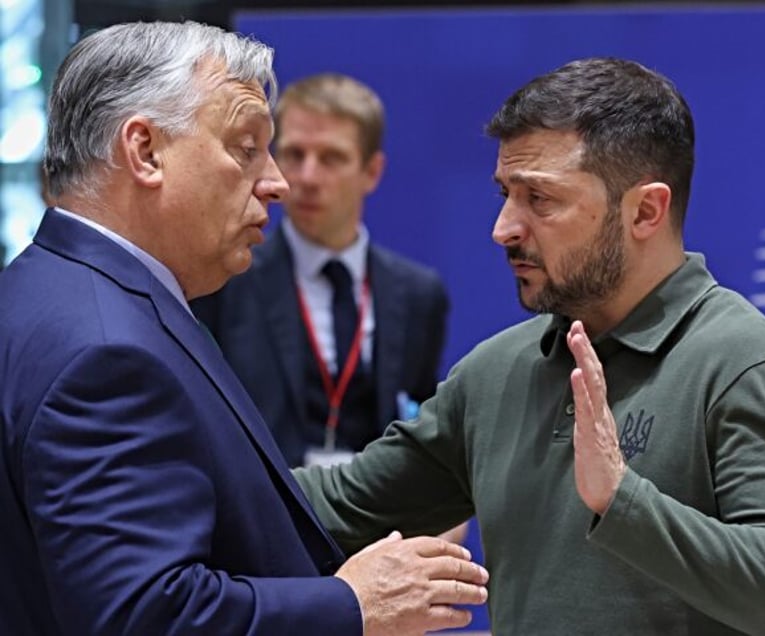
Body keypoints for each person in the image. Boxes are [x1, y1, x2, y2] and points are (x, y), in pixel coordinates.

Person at [293, 57, 765, 635]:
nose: (504, 227)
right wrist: (204, 459)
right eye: (506, 193)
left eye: (540, 198)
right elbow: (330, 508)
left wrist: (623, 501)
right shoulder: (494, 373)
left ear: (645, 211)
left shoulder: (745, 365)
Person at [0, 21, 488, 635]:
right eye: (245, 147)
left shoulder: (50, 290)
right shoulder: (105, 350)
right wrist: (353, 606)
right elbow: (146, 617)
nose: (278, 182)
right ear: (145, 151)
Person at [190, 73, 466, 544]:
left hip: (374, 530)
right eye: (294, 154)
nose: (307, 177)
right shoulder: (226, 277)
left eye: (332, 158)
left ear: (371, 172)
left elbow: (417, 423)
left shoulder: (418, 294)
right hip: (261, 530)